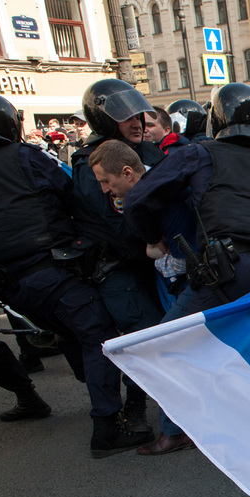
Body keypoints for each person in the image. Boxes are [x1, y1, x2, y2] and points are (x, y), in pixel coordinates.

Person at [124, 83, 250, 455]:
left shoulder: (198, 153)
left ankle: (174, 431)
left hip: (229, 269)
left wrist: (155, 239)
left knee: (162, 346)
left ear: (216, 118)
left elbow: (138, 197)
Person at [0, 94, 152, 456]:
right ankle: (107, 428)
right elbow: (71, 197)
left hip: (11, 286)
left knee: (69, 330)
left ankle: (87, 391)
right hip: (47, 269)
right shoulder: (25, 157)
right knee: (97, 334)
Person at [72, 78, 166, 434]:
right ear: (105, 121)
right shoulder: (90, 165)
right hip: (120, 265)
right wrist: (154, 239)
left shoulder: (149, 153)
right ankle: (134, 412)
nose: (138, 121)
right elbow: (113, 221)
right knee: (141, 340)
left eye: (139, 113)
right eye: (127, 116)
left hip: (156, 262)